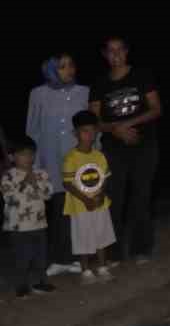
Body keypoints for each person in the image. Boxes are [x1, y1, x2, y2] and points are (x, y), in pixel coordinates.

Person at [89, 37, 161, 263]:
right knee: (114, 198)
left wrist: (128, 124)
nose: (116, 54)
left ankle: (141, 249)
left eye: (119, 50)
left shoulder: (142, 75)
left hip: (144, 145)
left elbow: (156, 109)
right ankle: (114, 251)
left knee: (141, 196)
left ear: (127, 52)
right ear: (105, 55)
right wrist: (115, 129)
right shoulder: (99, 83)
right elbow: (95, 120)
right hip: (113, 148)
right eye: (111, 51)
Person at [26, 53, 90, 274]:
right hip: (50, 159)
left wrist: (95, 155)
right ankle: (58, 258)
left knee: (79, 208)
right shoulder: (37, 94)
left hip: (79, 159)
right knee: (57, 209)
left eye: (71, 65)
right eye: (62, 67)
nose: (69, 70)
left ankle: (76, 256)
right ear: (51, 69)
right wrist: (32, 164)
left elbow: (92, 126)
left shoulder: (84, 92)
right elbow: (32, 130)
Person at [62, 111, 116, 282]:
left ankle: (102, 266)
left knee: (102, 235)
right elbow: (67, 183)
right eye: (85, 131)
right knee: (83, 237)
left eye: (93, 131)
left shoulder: (99, 155)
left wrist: (100, 195)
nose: (90, 135)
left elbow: (105, 177)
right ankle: (85, 270)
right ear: (75, 133)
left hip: (99, 203)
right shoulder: (71, 157)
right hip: (80, 205)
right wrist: (85, 199)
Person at [2, 139, 57, 298]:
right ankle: (22, 284)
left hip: (39, 224)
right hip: (18, 227)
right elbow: (10, 198)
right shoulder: (8, 176)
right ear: (12, 157)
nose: (27, 158)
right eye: (22, 154)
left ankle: (42, 281)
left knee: (41, 255)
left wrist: (36, 183)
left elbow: (47, 195)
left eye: (30, 154)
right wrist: (25, 183)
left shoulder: (41, 173)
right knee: (22, 257)